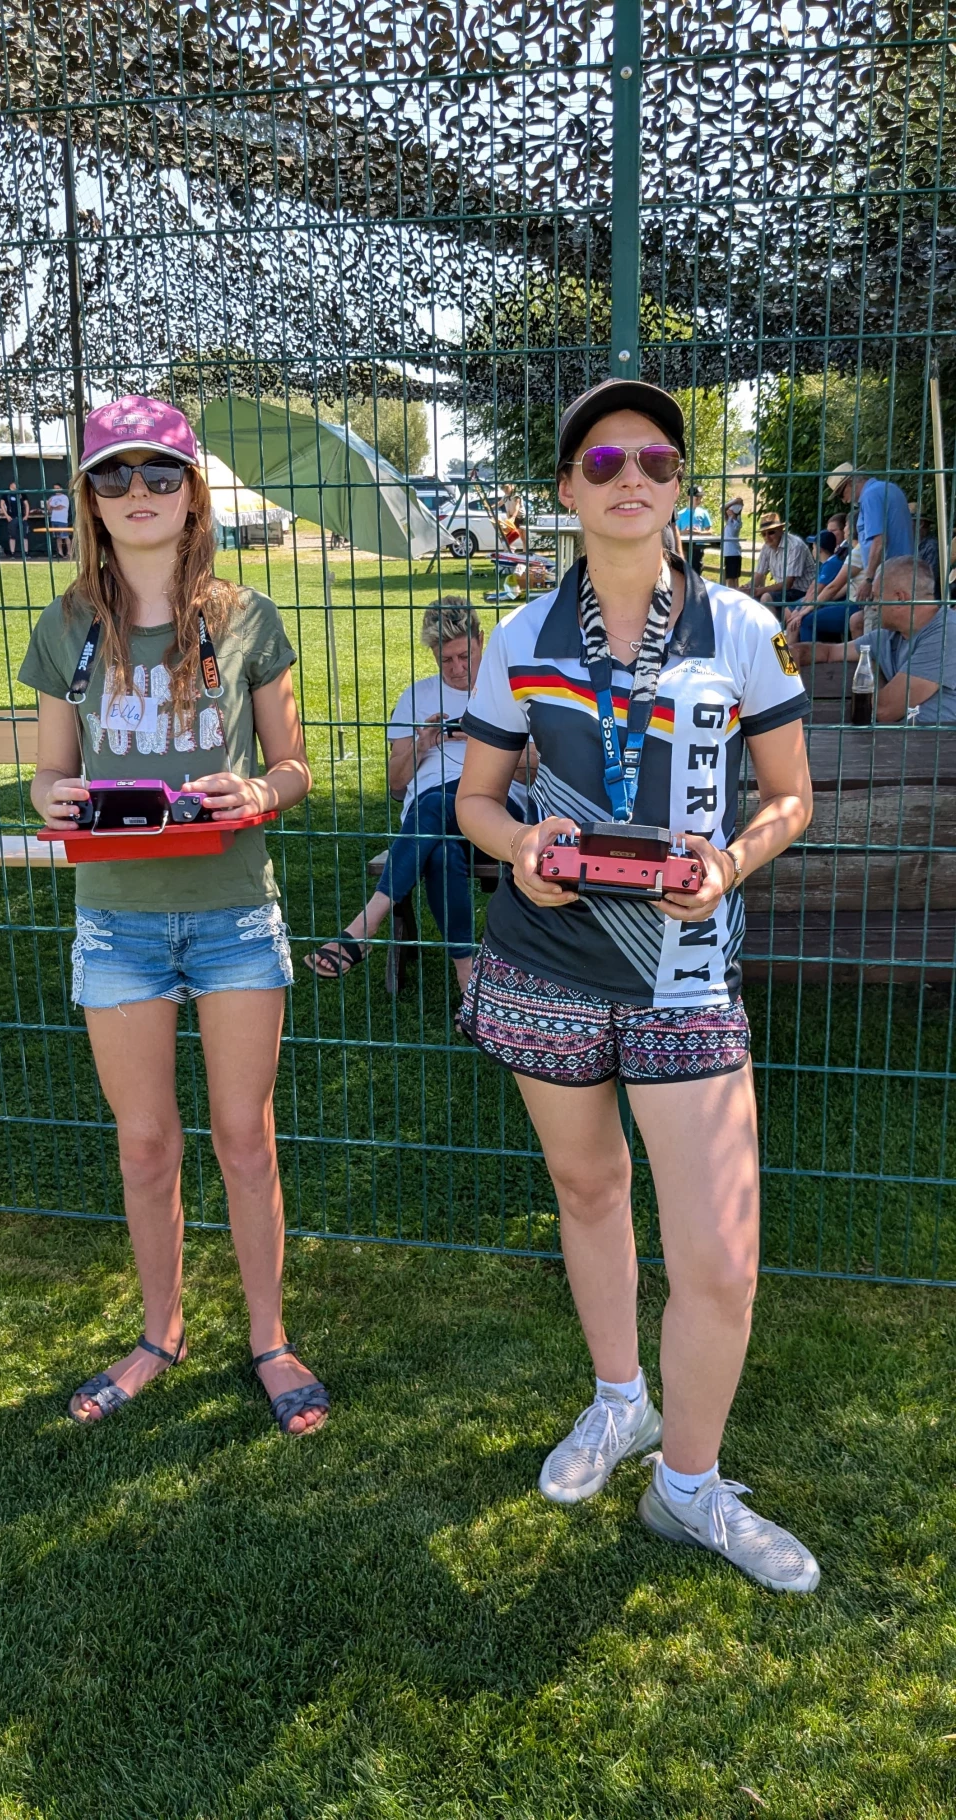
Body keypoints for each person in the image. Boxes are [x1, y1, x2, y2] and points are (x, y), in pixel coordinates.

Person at [456, 378, 820, 1593]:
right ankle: (620, 1400)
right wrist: (520, 847)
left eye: (655, 460)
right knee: (586, 1186)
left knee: (718, 1254)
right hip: (546, 959)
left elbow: (790, 796)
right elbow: (475, 798)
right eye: (603, 461)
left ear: (678, 487)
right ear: (565, 488)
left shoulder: (741, 626)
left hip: (685, 971)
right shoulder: (521, 635)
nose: (630, 479)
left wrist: (729, 863)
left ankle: (688, 1485)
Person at [21, 395, 328, 1437]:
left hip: (234, 912)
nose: (138, 491)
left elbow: (295, 765)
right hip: (118, 923)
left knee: (245, 1138)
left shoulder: (247, 618)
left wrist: (261, 790)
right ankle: (161, 1333)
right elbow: (47, 775)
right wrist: (52, 799)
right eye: (115, 475)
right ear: (90, 499)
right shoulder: (66, 625)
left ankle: (269, 1339)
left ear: (193, 493)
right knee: (146, 1146)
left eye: (160, 473)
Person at [305, 600, 530, 998]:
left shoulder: (508, 691)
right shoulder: (417, 696)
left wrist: (484, 739)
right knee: (441, 850)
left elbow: (535, 771)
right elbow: (396, 785)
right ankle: (468, 979)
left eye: (464, 656)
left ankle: (366, 924)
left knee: (436, 804)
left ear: (481, 640)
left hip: (496, 812)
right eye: (446, 660)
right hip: (428, 821)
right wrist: (421, 745)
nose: (456, 668)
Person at [796, 556, 955, 720]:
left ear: (899, 598)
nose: (872, 606)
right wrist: (795, 652)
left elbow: (884, 710)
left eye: (876, 597)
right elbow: (829, 652)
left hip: (938, 735)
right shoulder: (889, 635)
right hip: (898, 734)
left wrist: (870, 672)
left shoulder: (947, 634)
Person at [826, 462, 913, 606]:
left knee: (875, 620)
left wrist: (869, 579)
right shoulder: (890, 488)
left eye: (841, 494)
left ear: (850, 482)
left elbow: (879, 541)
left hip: (888, 576)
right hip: (904, 570)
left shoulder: (870, 496)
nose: (844, 500)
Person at [783, 529, 850, 646]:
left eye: (813, 547)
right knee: (788, 613)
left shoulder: (832, 564)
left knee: (794, 624)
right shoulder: (826, 563)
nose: (812, 550)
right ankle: (788, 651)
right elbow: (812, 589)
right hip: (818, 600)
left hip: (826, 602)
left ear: (819, 549)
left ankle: (789, 656)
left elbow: (817, 591)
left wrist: (800, 612)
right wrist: (799, 609)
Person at [751, 512, 815, 607]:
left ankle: (775, 618)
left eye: (771, 532)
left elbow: (788, 584)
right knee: (749, 599)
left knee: (766, 598)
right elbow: (759, 575)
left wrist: (760, 590)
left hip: (804, 592)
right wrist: (747, 588)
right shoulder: (766, 547)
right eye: (763, 534)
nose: (767, 537)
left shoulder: (795, 546)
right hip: (785, 591)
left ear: (780, 530)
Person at [676, 484, 712, 575]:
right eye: (697, 498)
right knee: (683, 573)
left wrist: (699, 533)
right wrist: (683, 532)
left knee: (696, 572)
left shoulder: (703, 513)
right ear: (688, 497)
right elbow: (675, 532)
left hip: (697, 548)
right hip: (684, 547)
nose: (699, 500)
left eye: (701, 498)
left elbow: (710, 532)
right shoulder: (680, 514)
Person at [1, 478, 30, 557]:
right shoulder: (6, 493)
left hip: (22, 517)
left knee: (25, 536)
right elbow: (2, 504)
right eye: (15, 484)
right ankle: (12, 553)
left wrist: (26, 515)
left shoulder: (21, 493)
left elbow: (26, 504)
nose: (17, 486)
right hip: (12, 517)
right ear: (11, 485)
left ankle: (26, 553)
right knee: (12, 536)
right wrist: (7, 515)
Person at [721, 495, 744, 584]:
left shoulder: (735, 522)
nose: (727, 510)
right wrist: (736, 502)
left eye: (729, 509)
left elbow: (723, 508)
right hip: (731, 554)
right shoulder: (731, 520)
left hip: (732, 554)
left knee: (731, 579)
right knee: (733, 578)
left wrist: (735, 502)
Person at [47, 480, 72, 558]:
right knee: (58, 537)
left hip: (62, 520)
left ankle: (69, 553)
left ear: (61, 488)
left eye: (57, 488)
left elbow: (61, 507)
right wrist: (49, 505)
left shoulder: (64, 497)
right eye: (54, 489)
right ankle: (60, 553)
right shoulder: (52, 498)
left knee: (65, 536)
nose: (56, 490)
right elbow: (49, 509)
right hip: (54, 519)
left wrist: (52, 507)